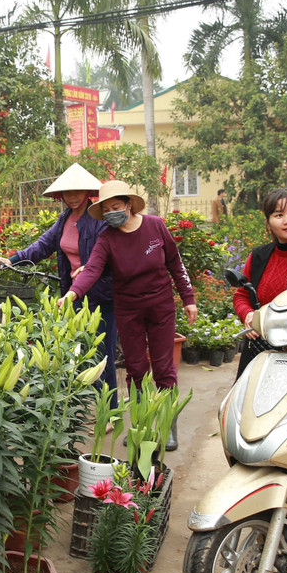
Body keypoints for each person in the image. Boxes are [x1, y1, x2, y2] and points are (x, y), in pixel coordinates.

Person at [59, 180, 197, 450]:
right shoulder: (107, 238)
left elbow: (175, 263)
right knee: (135, 369)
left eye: (116, 206)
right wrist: (73, 294)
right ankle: (140, 424)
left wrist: (188, 299)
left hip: (161, 307)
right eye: (107, 209)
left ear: (129, 204)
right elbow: (92, 269)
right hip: (128, 309)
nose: (112, 212)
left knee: (163, 367)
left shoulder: (155, 226)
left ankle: (168, 427)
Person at [0, 163, 118, 404]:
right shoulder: (64, 219)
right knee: (81, 352)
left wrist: (89, 268)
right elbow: (41, 247)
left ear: (88, 193)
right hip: (73, 296)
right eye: (67, 193)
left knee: (103, 355)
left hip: (101, 295)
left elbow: (108, 255)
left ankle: (109, 411)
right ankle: (89, 404)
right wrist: (12, 259)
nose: (72, 197)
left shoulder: (99, 220)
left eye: (77, 192)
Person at [232, 188, 287, 377]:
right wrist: (248, 316)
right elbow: (241, 294)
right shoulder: (259, 256)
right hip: (260, 349)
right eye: (279, 215)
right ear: (268, 222)